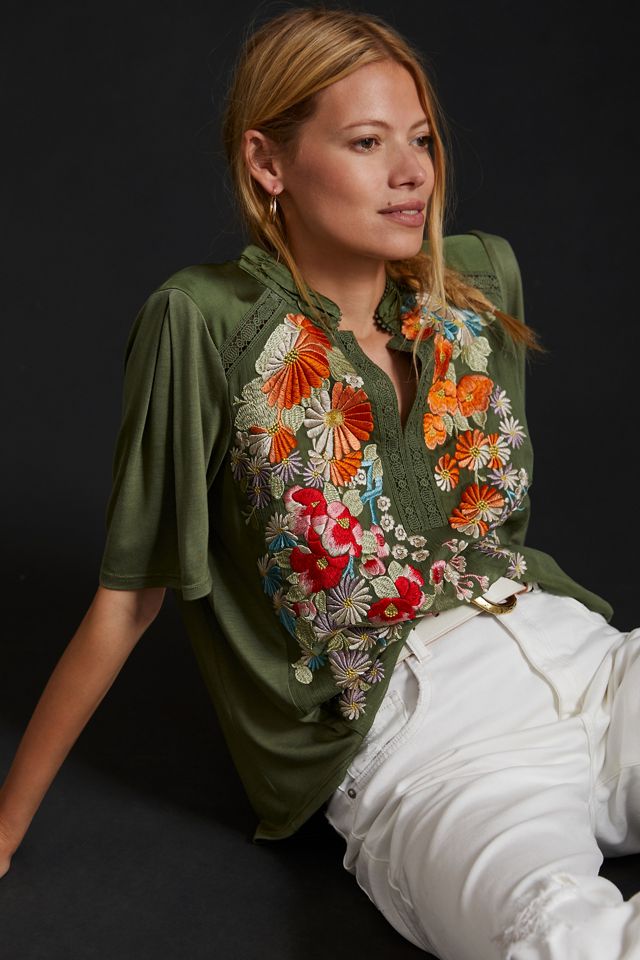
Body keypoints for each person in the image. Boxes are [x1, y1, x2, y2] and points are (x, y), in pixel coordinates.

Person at [1, 7, 639, 958]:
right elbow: (128, 599)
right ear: (269, 162)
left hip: (584, 662)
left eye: (421, 139)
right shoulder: (206, 324)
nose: (412, 172)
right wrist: (4, 827)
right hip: (429, 749)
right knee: (566, 944)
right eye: (367, 142)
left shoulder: (475, 284)